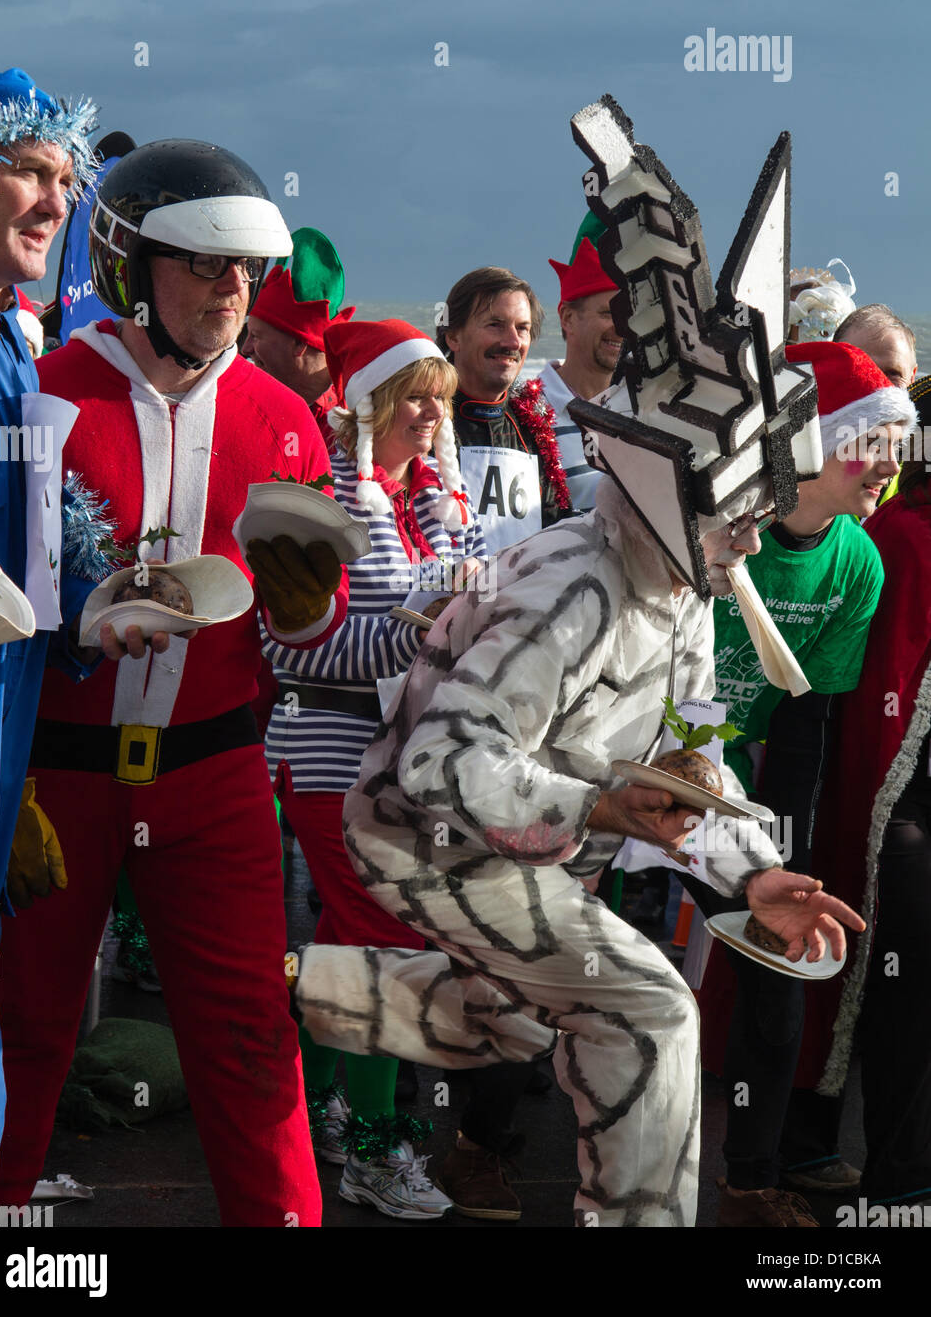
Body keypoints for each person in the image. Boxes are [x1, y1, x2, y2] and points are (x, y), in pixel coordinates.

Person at [290, 93, 866, 1227]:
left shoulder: (687, 595)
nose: (755, 533)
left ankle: (275, 998)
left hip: (536, 850)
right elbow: (441, 770)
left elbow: (691, 765)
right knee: (646, 1010)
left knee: (505, 1016)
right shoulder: (577, 585)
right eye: (736, 507)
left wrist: (751, 871)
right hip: (424, 837)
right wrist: (601, 803)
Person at [0, 138, 349, 1227]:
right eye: (203, 265)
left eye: (244, 269)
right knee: (20, 1032)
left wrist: (309, 611)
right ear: (131, 268)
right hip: (56, 769)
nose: (231, 291)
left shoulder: (284, 415)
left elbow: (314, 629)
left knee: (249, 1030)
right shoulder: (42, 396)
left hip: (216, 771)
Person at [265, 318, 487, 1219]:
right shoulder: (326, 498)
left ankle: (318, 1107)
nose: (433, 411)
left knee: (357, 941)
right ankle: (371, 1147)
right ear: (369, 404)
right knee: (386, 940)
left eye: (440, 394)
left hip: (409, 753)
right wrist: (418, 627)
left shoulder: (429, 498)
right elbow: (292, 646)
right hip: (327, 746)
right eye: (416, 394)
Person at [692, 339, 915, 1225]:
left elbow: (805, 720)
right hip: (644, 760)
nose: (890, 467)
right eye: (873, 443)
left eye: (899, 446)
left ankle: (747, 1181)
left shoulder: (855, 560)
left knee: (777, 977)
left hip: (756, 777)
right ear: (812, 443)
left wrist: (772, 843)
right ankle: (482, 1142)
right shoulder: (712, 524)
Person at [0, 66, 100, 1220]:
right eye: (32, 173)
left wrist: (103, 601)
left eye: (69, 177)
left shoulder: (12, 347)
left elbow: (38, 557)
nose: (58, 200)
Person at [437, 266, 572, 547]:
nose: (512, 342)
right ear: (453, 336)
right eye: (495, 325)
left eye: (522, 328)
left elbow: (556, 530)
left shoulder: (533, 426)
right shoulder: (421, 419)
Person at [246, 225, 355, 442]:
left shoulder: (356, 420)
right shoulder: (243, 400)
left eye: (256, 336)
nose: (245, 348)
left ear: (299, 344)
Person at [537, 237, 622, 510]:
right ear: (568, 318)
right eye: (609, 314)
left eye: (630, 316)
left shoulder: (648, 407)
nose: (622, 328)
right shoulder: (527, 412)